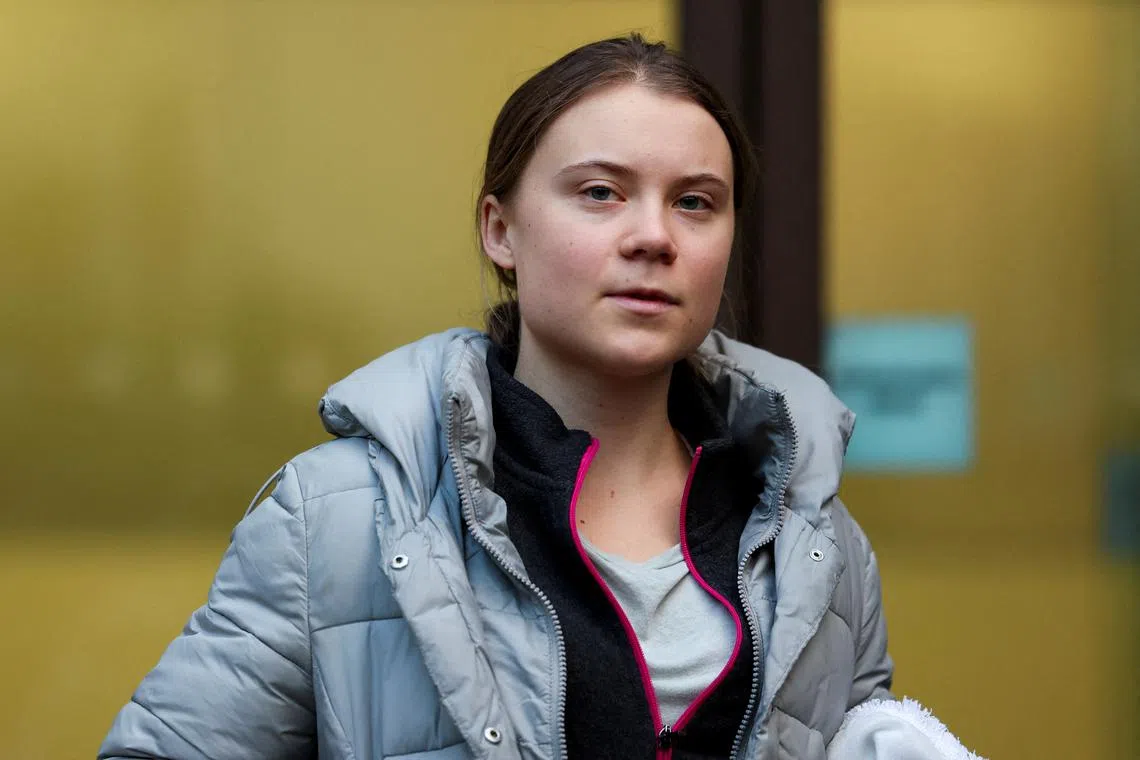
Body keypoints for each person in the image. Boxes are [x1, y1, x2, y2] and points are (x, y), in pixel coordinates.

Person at [99, 34, 980, 760]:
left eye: (696, 203)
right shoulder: (338, 516)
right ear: (500, 230)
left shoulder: (815, 537)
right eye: (601, 193)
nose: (652, 237)